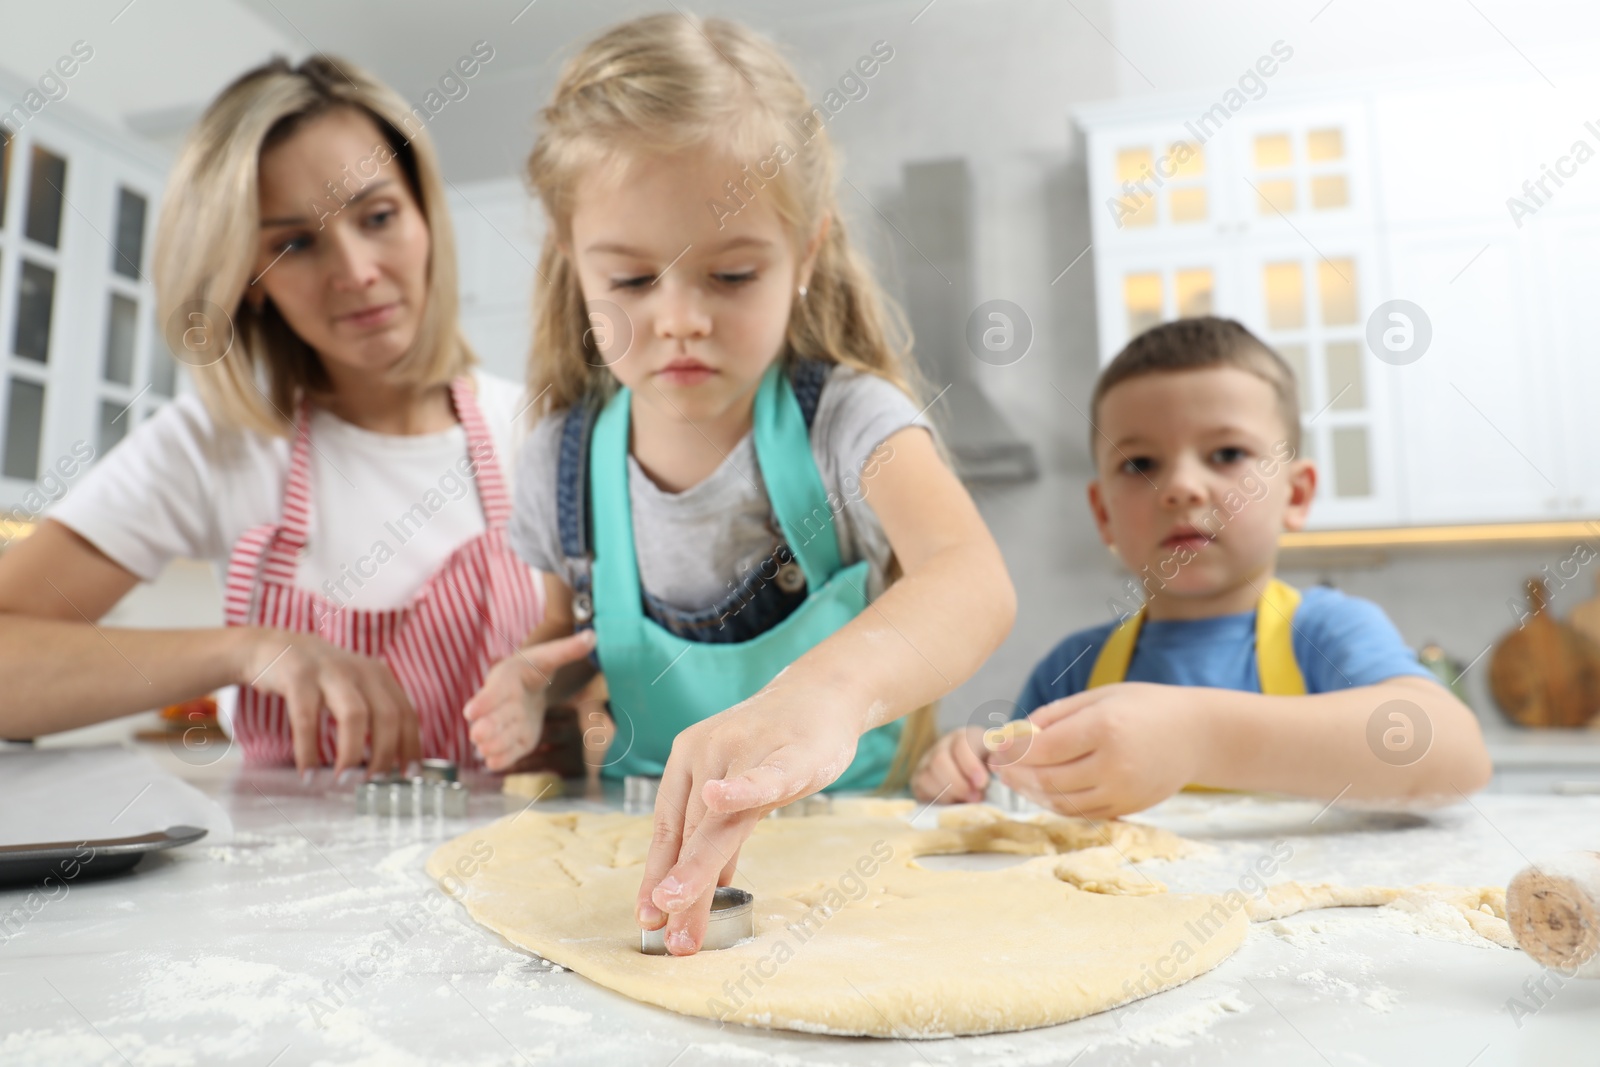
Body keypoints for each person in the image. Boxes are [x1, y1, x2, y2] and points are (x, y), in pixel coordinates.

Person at [460, 14, 1015, 955]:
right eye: (632, 278)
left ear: (805, 256)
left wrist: (825, 695)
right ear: (570, 259)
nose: (679, 318)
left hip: (851, 871)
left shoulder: (848, 422)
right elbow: (574, 666)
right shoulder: (558, 459)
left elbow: (972, 581)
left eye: (730, 273)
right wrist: (533, 699)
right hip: (634, 871)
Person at [0, 55, 573, 778]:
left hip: (500, 874)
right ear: (250, 280)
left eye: (379, 216)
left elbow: (608, 675)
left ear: (426, 216)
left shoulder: (541, 430)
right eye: (294, 243)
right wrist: (245, 649)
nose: (357, 270)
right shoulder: (214, 445)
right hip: (285, 880)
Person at [913, 316, 1492, 815]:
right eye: (1140, 462)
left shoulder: (1326, 634)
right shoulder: (1072, 669)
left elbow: (1455, 757)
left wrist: (1198, 735)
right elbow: (1020, 796)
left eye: (1226, 454)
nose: (1182, 487)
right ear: (1103, 514)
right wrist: (976, 764)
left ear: (1296, 495)